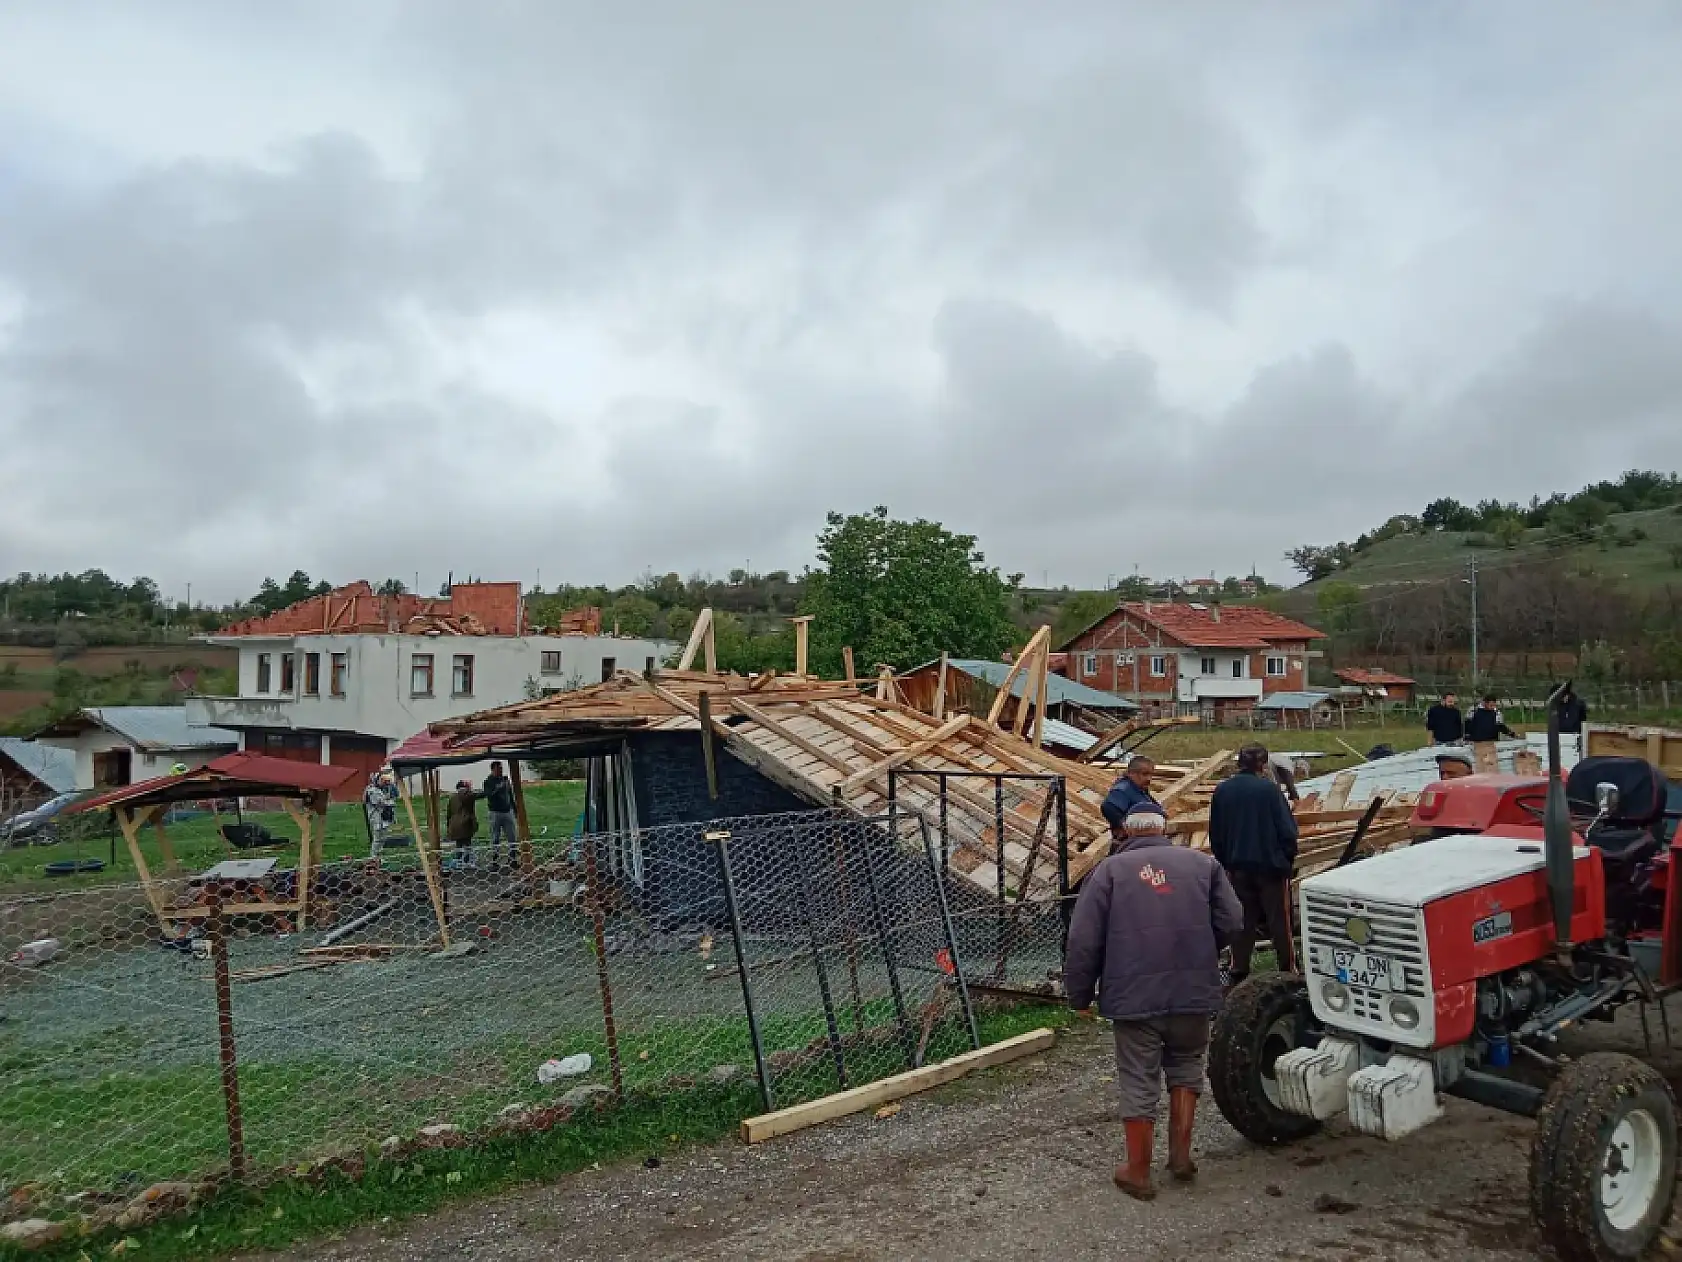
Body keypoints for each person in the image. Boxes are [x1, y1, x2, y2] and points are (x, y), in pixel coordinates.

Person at [1065, 806, 1244, 1202]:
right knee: (1186, 1065)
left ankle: (1138, 1172)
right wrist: (1203, 949)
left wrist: (1079, 994)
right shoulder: (1205, 865)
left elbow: (1083, 941)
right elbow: (1232, 921)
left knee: (1138, 1078)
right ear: (1165, 829)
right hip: (1192, 991)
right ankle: (1180, 1158)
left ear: (1125, 831)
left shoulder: (1108, 873)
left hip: (1134, 998)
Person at [1209, 744, 1299, 986]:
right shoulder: (1269, 791)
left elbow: (1215, 834)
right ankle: (1288, 969)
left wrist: (1227, 862)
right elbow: (1288, 831)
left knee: (1242, 920)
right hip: (1271, 868)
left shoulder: (1222, 791)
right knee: (1279, 920)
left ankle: (1238, 968)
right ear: (1262, 764)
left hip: (1238, 868)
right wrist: (1287, 859)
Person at [1101, 756, 1158, 837]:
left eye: (1151, 775)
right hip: (1130, 844)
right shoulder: (1123, 789)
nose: (1149, 778)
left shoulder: (1139, 789)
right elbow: (1108, 807)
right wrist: (1126, 826)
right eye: (1144, 774)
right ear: (1131, 773)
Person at [483, 761, 519, 867]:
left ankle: (513, 859)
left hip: (507, 811)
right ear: (493, 769)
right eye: (498, 769)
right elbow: (489, 795)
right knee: (495, 837)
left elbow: (510, 795)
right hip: (495, 812)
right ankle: (494, 860)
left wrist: (514, 809)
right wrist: (499, 788)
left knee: (512, 836)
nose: (500, 770)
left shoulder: (505, 779)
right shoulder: (488, 782)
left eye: (501, 768)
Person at [446, 778, 484, 866]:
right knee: (467, 844)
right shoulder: (467, 795)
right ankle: (466, 862)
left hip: (454, 825)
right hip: (465, 823)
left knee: (459, 845)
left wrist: (449, 826)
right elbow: (478, 795)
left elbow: (449, 813)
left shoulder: (452, 798)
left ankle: (458, 862)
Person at [363, 767, 398, 860]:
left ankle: (379, 856)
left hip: (384, 817)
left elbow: (394, 796)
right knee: (377, 839)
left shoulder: (384, 789)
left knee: (383, 838)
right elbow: (380, 803)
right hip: (377, 817)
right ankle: (374, 857)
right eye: (382, 780)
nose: (385, 782)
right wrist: (390, 802)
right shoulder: (372, 790)